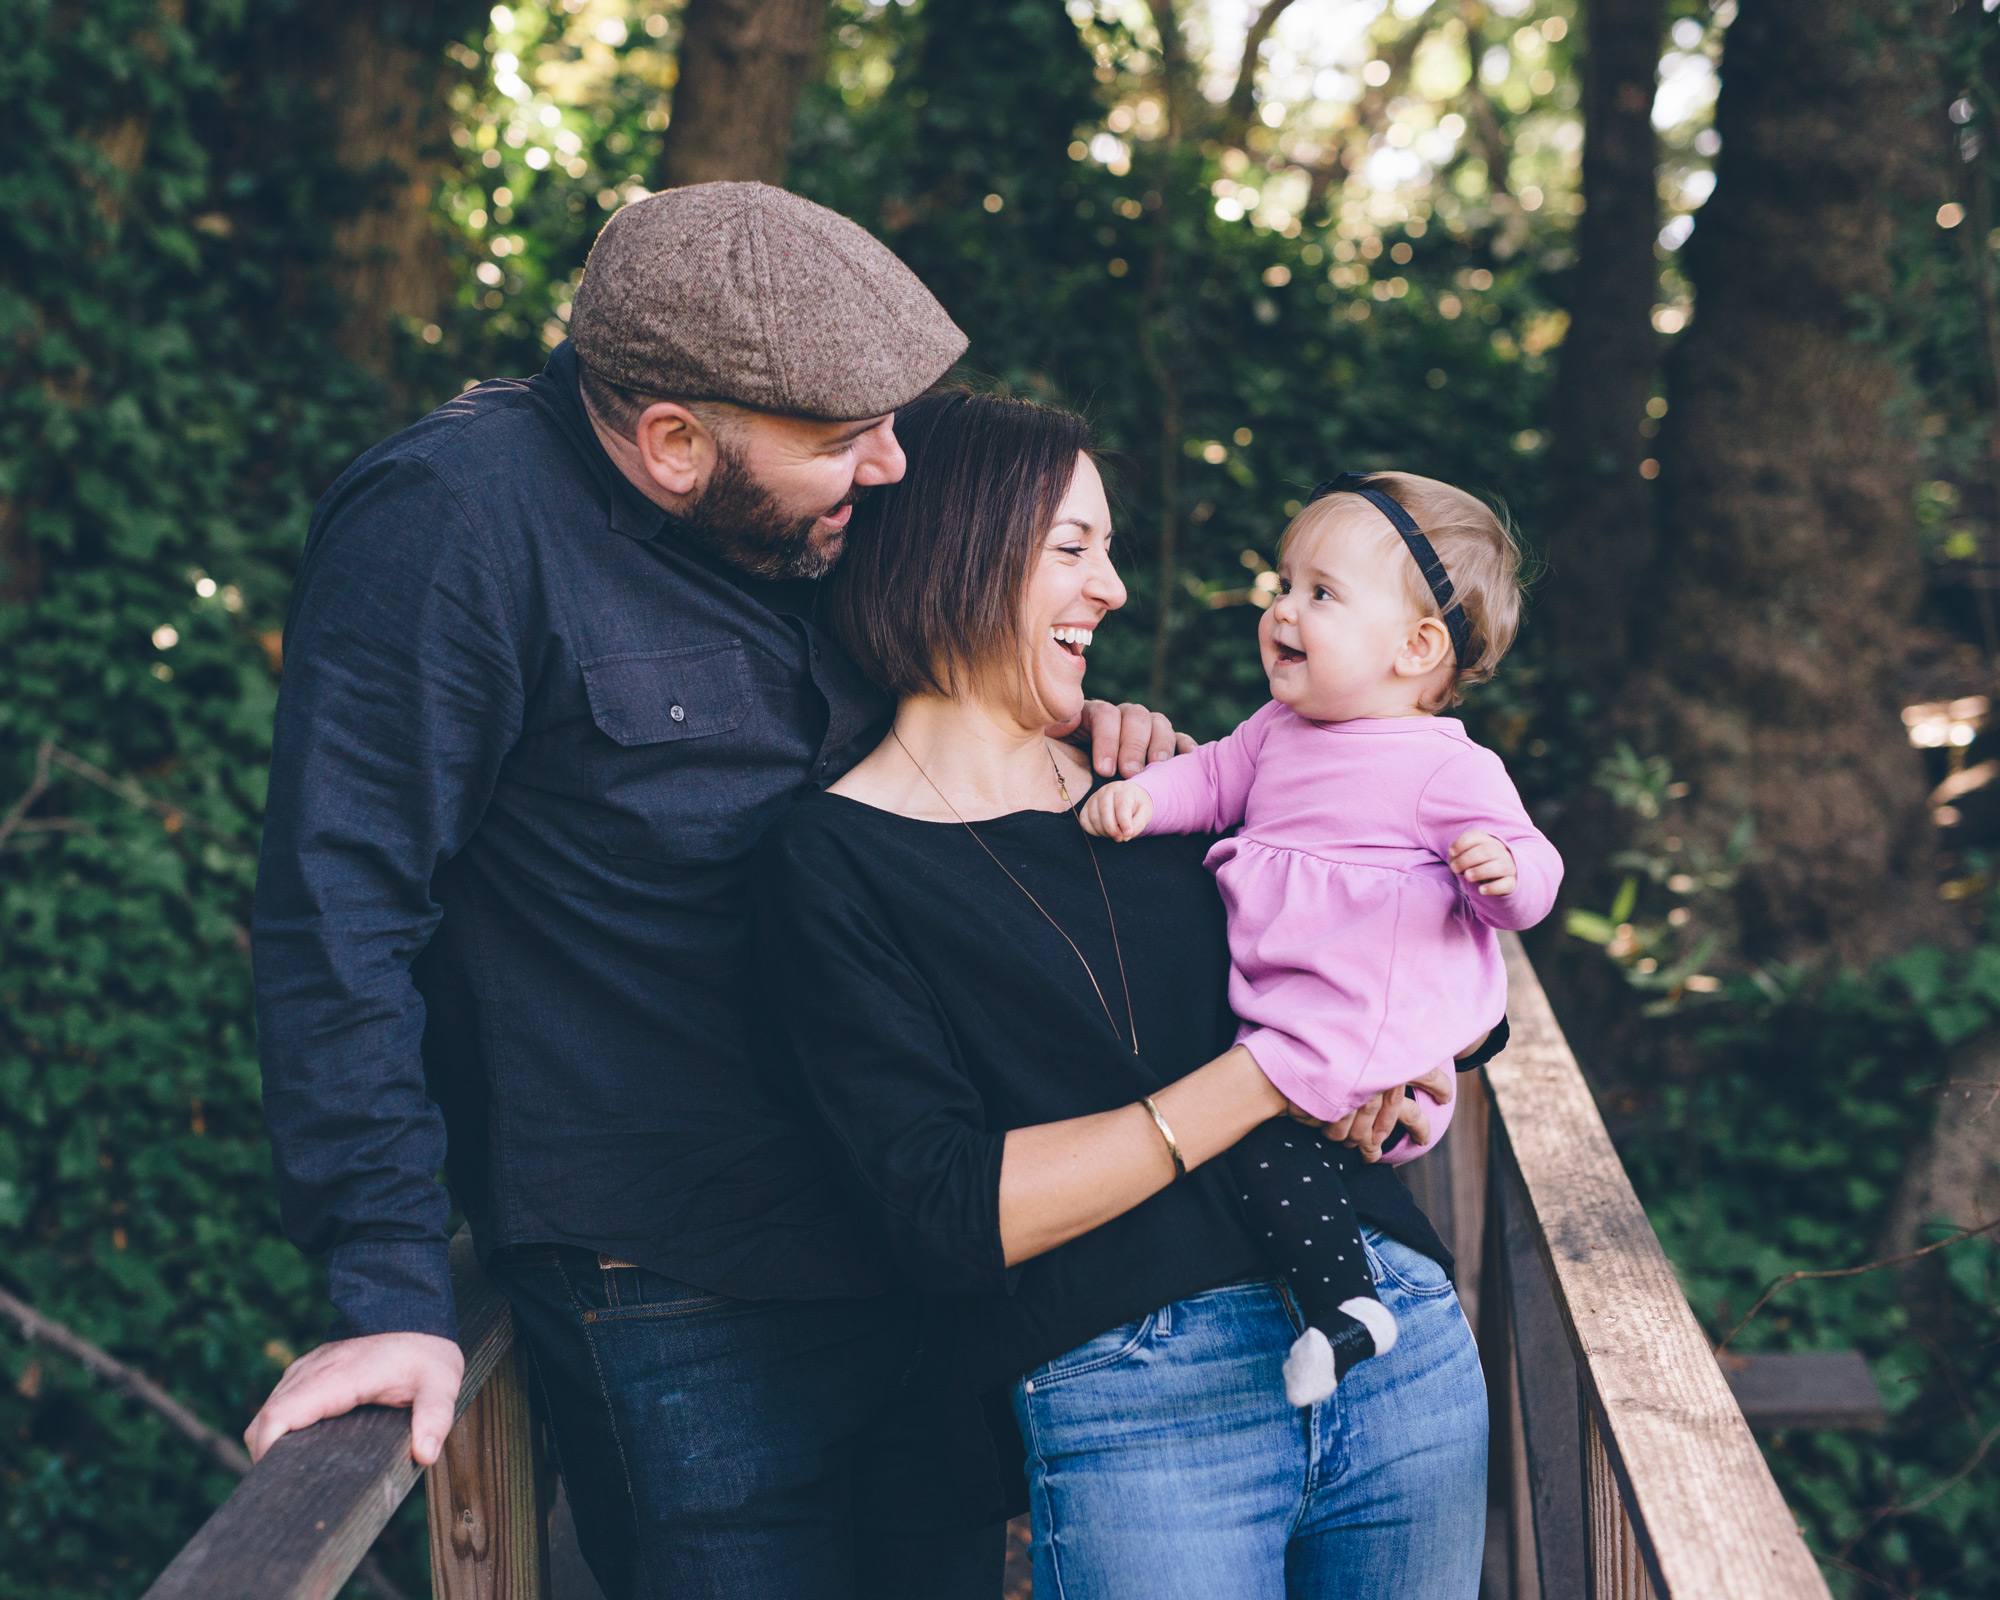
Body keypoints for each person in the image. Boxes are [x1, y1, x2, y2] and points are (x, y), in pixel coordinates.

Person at [243, 184, 1188, 1600]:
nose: (888, 467)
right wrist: (390, 1288)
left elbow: (937, 731)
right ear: (674, 443)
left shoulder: (808, 517)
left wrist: (1086, 737)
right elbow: (341, 909)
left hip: (912, 1243)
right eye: (839, 439)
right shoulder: (453, 524)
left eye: (890, 422)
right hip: (672, 1282)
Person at [756, 391, 1492, 1600]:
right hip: (1142, 1399)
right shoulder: (832, 861)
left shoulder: (1151, 777)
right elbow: (944, 1211)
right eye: (1071, 550)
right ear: (958, 546)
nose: (1112, 591)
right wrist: (1267, 1077)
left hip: (1390, 1327)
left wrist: (1411, 1055)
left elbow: (1399, 909)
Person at [1080, 471, 1561, 1404]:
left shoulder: (1442, 765)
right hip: (1296, 1020)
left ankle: (1348, 1305)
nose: (1282, 611)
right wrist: (1145, 799)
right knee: (1265, 1150)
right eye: (1284, 585)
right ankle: (1346, 1305)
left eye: (1321, 594)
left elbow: (1531, 869)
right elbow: (1210, 780)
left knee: (1256, 1141)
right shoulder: (1273, 733)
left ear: (1417, 648)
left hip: (1369, 1027)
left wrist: (1502, 878)